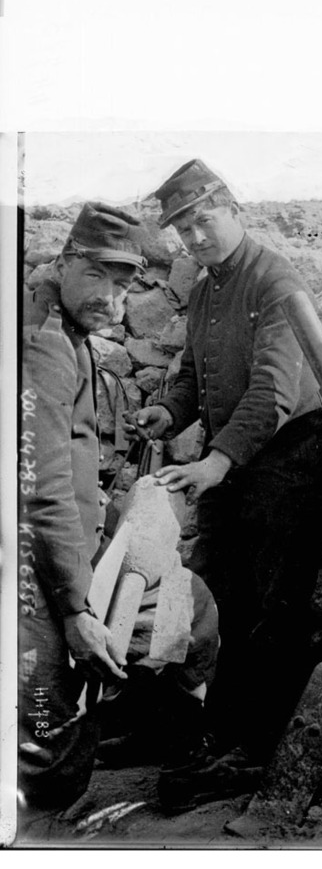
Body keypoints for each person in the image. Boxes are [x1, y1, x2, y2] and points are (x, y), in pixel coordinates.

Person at [125, 159, 322, 811]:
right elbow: (193, 372)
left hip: (291, 466)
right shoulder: (208, 289)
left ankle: (250, 750)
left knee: (272, 614)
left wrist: (216, 462)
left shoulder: (276, 281)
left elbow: (274, 389)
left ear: (235, 209)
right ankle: (204, 733)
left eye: (203, 220)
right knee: (211, 599)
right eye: (183, 229)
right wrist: (169, 410)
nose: (194, 237)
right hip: (236, 465)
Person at [18, 203, 219, 822]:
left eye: (123, 283)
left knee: (191, 606)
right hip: (36, 567)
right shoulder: (44, 342)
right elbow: (43, 489)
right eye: (98, 276)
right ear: (67, 260)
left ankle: (167, 746)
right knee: (47, 730)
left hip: (61, 549)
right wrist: (78, 609)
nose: (110, 297)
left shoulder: (56, 325)